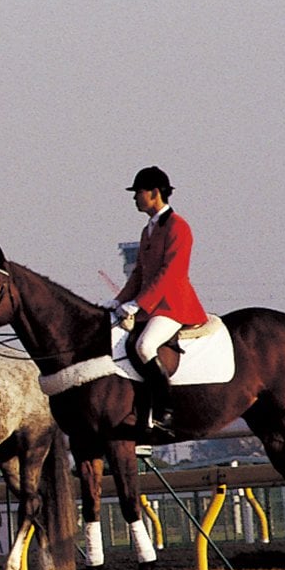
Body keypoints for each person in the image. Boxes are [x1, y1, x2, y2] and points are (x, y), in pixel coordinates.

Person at [103, 166, 207, 434]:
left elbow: (170, 274)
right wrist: (118, 302)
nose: (134, 198)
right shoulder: (147, 229)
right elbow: (139, 273)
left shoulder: (178, 227)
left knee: (145, 346)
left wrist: (137, 304)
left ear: (154, 193)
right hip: (152, 305)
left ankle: (165, 410)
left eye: (138, 192)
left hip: (174, 306)